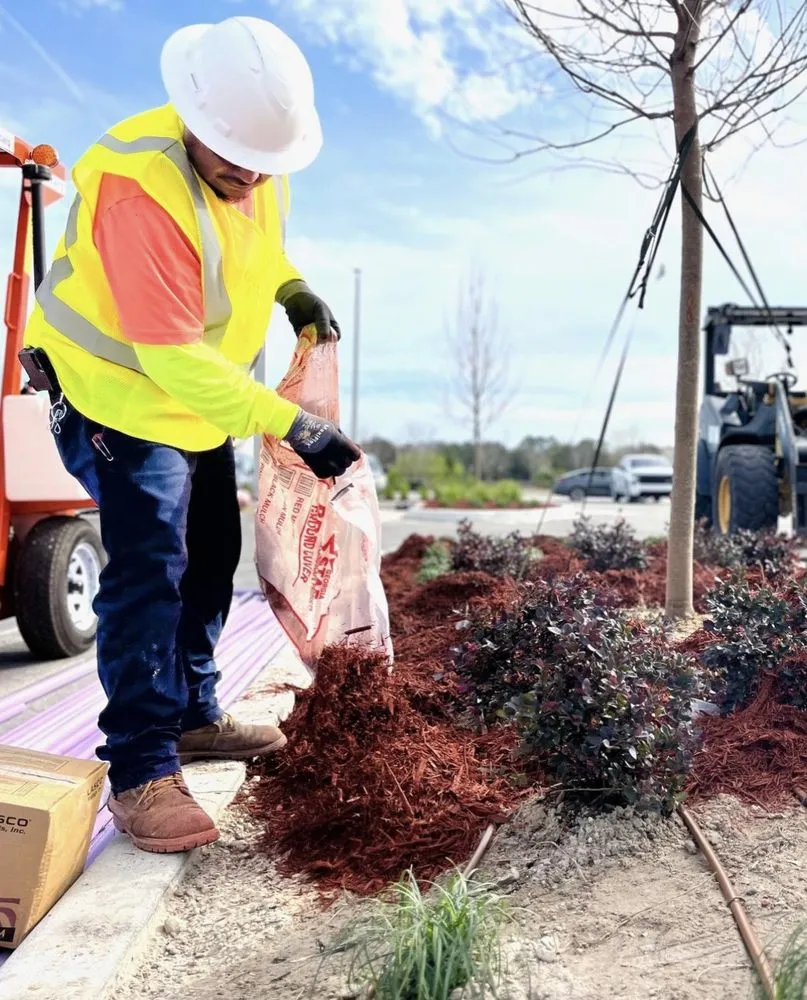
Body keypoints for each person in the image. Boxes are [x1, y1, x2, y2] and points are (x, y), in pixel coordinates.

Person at [21, 15, 360, 854]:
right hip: (118, 396)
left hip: (195, 397)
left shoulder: (256, 158)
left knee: (212, 550)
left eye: (261, 162)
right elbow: (168, 356)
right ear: (194, 121)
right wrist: (290, 423)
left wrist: (292, 290)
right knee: (150, 571)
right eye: (231, 158)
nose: (247, 174)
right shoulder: (138, 183)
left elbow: (252, 249)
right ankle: (139, 769)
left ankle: (195, 712)